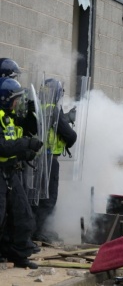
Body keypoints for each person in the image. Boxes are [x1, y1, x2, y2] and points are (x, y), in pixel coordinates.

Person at [0, 77, 43, 269]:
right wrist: (26, 144)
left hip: (10, 172)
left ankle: (19, 255)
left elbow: (12, 142)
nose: (17, 102)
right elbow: (2, 146)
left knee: (23, 214)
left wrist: (25, 153)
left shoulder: (8, 116)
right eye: (15, 98)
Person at [31, 79, 77, 243]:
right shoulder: (53, 110)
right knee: (49, 196)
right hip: (50, 160)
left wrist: (65, 117)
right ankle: (42, 231)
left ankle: (39, 229)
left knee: (38, 196)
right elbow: (71, 136)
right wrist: (67, 122)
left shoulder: (38, 106)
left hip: (37, 159)